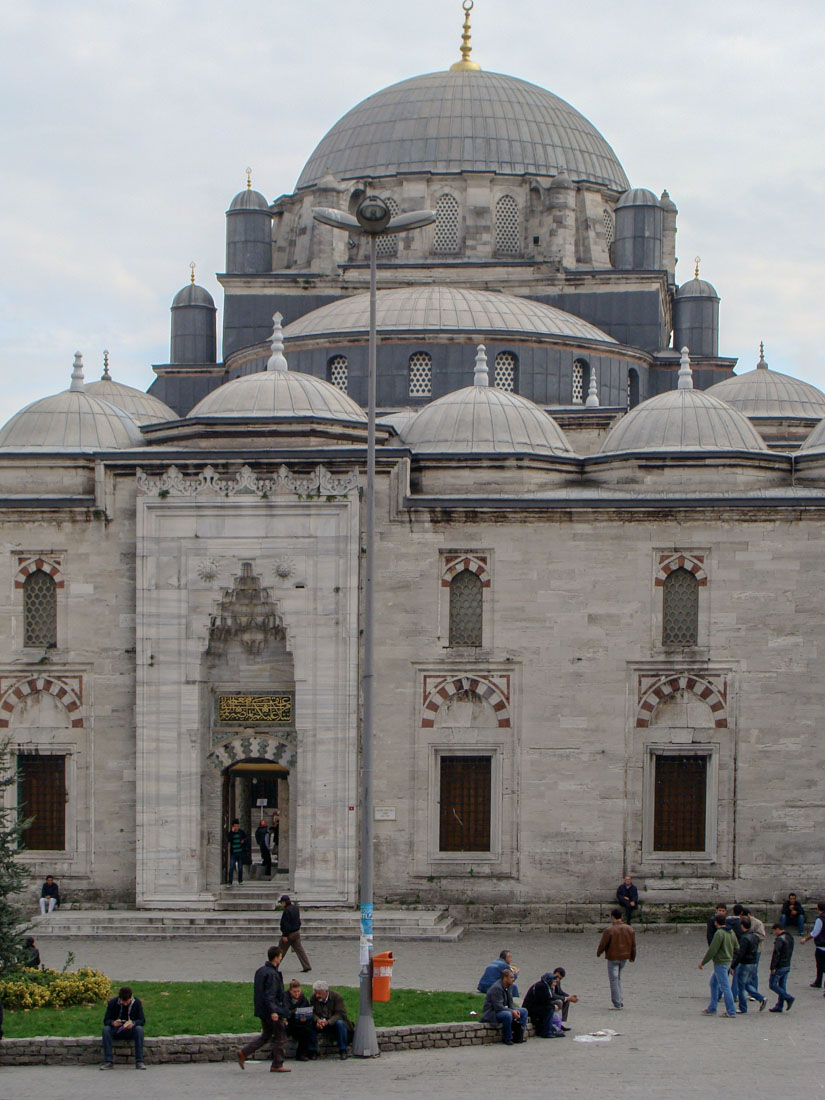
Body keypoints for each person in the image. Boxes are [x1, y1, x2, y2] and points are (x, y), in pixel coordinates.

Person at [237, 944, 290, 1073]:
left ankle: (244, 1053)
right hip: (271, 1010)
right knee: (280, 1036)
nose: (281, 959)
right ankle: (277, 1064)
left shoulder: (260, 971)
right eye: (280, 956)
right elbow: (270, 994)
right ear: (276, 958)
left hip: (262, 1009)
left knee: (266, 1035)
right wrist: (274, 1011)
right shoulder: (272, 974)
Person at [596, 908, 636, 1010]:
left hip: (613, 957)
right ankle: (620, 999)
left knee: (614, 979)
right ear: (621, 917)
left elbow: (603, 944)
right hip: (624, 957)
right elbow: (633, 945)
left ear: (613, 917)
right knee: (618, 978)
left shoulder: (609, 930)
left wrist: (599, 952)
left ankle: (617, 1003)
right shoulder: (630, 929)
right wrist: (632, 956)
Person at [699, 912, 737, 1017]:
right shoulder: (731, 932)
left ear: (716, 923)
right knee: (713, 983)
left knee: (725, 987)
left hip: (720, 963)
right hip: (728, 962)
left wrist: (703, 962)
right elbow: (737, 946)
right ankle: (712, 1007)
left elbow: (712, 950)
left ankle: (731, 1011)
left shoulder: (719, 933)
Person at [100, 986, 146, 1069]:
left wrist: (133, 1023)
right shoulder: (112, 1002)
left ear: (130, 998)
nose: (124, 1003)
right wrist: (113, 1023)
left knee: (139, 1030)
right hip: (116, 1029)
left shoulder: (137, 1003)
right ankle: (108, 1061)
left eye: (126, 1002)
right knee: (106, 1030)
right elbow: (106, 1020)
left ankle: (139, 1061)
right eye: (122, 1001)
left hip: (130, 1029)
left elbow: (142, 1020)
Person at [482, 968, 528, 1045]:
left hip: (505, 1009)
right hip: (493, 1012)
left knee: (524, 1011)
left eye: (513, 977)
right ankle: (507, 1038)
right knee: (508, 1015)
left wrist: (514, 1010)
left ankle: (518, 1036)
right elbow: (498, 1007)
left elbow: (511, 1002)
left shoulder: (510, 986)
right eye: (511, 977)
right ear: (505, 978)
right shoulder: (497, 988)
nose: (513, 979)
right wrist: (512, 1011)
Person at [730, 916, 767, 1012]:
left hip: (745, 963)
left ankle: (743, 1007)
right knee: (746, 984)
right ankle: (760, 998)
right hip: (753, 962)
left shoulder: (744, 938)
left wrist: (733, 966)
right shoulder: (755, 936)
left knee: (741, 986)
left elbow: (740, 954)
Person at [310, 980, 353, 1060]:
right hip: (320, 1022)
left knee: (340, 1023)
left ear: (326, 992)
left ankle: (343, 1050)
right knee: (309, 1025)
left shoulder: (337, 997)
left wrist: (328, 1022)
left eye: (319, 993)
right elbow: (312, 1012)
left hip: (332, 1022)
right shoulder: (313, 998)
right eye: (316, 993)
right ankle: (313, 1051)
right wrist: (317, 1020)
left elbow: (340, 1014)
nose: (317, 995)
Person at [522, 972, 564, 1038]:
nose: (555, 984)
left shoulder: (545, 986)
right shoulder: (542, 987)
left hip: (536, 1006)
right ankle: (546, 1032)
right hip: (531, 1009)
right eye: (554, 982)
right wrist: (553, 1006)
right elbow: (544, 1001)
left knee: (554, 1005)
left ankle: (555, 1026)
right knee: (549, 1009)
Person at [279, 895, 311, 972]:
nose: (281, 905)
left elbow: (286, 924)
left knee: (280, 950)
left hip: (289, 934)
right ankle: (306, 965)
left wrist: (285, 935)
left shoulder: (287, 911)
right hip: (296, 932)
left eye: (281, 903)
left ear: (284, 902)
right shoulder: (295, 908)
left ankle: (274, 965)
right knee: (300, 950)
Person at [285, 979, 315, 1061]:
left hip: (300, 1023)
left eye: (298, 991)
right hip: (289, 1023)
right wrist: (293, 1012)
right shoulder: (285, 998)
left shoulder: (303, 999)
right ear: (290, 991)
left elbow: (308, 1011)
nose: (297, 993)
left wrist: (305, 1018)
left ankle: (302, 1054)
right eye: (294, 992)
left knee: (307, 1030)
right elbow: (284, 1011)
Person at [768, 921, 795, 1012]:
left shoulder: (780, 939)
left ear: (777, 929)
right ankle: (779, 1005)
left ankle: (788, 998)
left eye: (774, 931)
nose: (774, 934)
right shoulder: (789, 937)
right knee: (782, 985)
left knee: (772, 985)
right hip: (787, 964)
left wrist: (773, 967)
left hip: (780, 966)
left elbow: (776, 953)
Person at [800, 900, 825, 989]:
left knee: (820, 965)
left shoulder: (820, 919)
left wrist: (805, 939)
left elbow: (815, 933)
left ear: (818, 908)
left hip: (821, 946)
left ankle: (818, 981)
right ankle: (818, 981)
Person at [226, 819, 247, 886]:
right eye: (235, 826)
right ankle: (230, 881)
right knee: (231, 867)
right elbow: (229, 839)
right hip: (233, 853)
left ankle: (240, 880)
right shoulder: (231, 833)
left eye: (237, 826)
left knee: (240, 867)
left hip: (240, 852)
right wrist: (232, 832)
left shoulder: (241, 832)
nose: (236, 827)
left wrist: (243, 840)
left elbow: (246, 838)